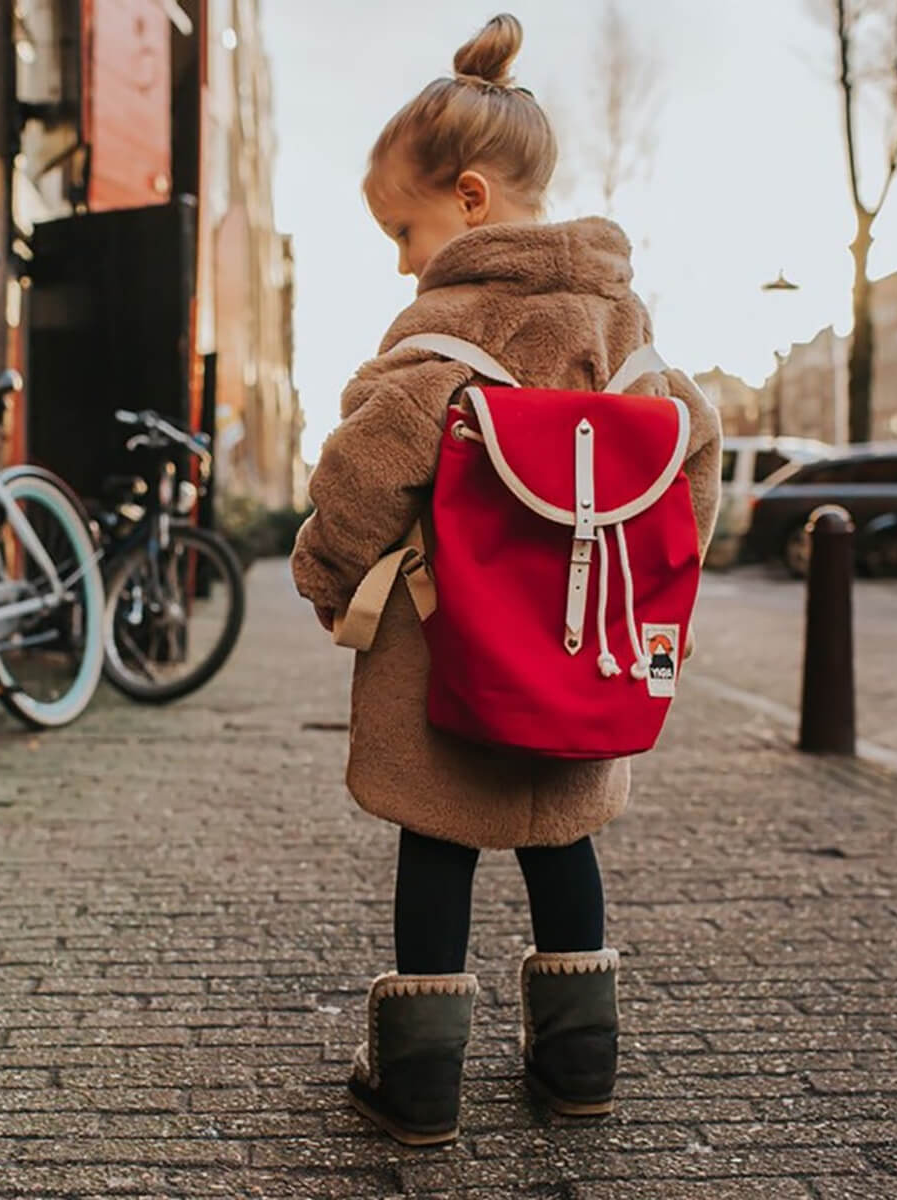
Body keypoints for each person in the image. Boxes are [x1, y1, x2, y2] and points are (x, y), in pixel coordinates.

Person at [290, 13, 722, 1147]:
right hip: (582, 649)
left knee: (436, 839)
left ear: (471, 201)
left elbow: (366, 471)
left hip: (449, 647)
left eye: (405, 228)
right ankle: (580, 1063)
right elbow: (695, 455)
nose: (399, 257)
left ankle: (420, 1083)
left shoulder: (443, 332)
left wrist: (329, 576)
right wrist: (655, 578)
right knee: (560, 840)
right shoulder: (627, 327)